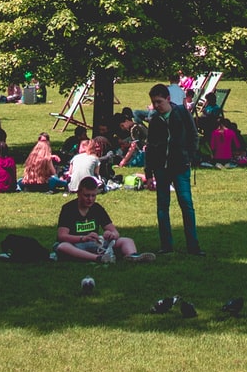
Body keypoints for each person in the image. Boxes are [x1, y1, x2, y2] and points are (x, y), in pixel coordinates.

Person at [144, 82, 201, 256]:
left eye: (159, 102)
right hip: (161, 167)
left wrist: (189, 156)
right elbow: (150, 147)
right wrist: (149, 172)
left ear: (168, 99)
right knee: (163, 207)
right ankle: (166, 246)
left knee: (186, 205)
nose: (156, 106)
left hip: (180, 165)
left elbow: (193, 135)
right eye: (154, 102)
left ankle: (193, 246)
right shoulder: (155, 120)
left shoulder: (182, 113)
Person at [52, 176, 140, 262]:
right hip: (75, 244)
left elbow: (115, 232)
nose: (90, 199)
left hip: (95, 243)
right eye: (86, 195)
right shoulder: (68, 209)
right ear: (78, 193)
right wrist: (83, 238)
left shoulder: (97, 208)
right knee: (62, 247)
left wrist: (111, 235)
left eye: (93, 196)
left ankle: (132, 256)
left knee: (127, 240)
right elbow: (62, 236)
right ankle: (98, 258)